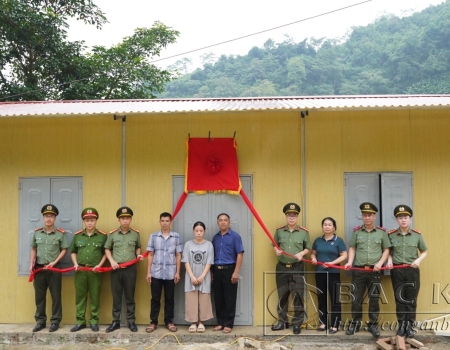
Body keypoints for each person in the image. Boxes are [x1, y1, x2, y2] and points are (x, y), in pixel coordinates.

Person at [344, 202, 391, 338]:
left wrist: (380, 263)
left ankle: (373, 325)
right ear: (362, 216)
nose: (367, 217)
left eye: (370, 215)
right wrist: (350, 262)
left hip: (375, 271)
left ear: (374, 216)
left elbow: (386, 250)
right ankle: (355, 324)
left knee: (374, 299)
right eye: (365, 215)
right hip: (359, 270)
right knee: (356, 298)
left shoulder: (382, 233)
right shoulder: (357, 232)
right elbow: (352, 248)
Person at [387, 205, 427, 339]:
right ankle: (401, 326)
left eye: (406, 217)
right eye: (400, 218)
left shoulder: (417, 235)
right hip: (397, 270)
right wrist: (389, 260)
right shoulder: (391, 235)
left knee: (411, 299)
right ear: (396, 220)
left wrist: (419, 260)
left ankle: (410, 327)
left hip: (412, 270)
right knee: (399, 299)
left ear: (410, 219)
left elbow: (424, 251)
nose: (403, 220)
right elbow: (388, 251)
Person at [271, 202, 311, 335]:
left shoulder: (304, 232)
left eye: (294, 215)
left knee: (297, 295)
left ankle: (297, 324)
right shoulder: (279, 231)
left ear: (297, 216)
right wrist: (276, 250)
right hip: (282, 268)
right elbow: (275, 244)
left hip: (297, 268)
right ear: (286, 216)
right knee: (282, 295)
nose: (291, 218)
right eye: (289, 215)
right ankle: (282, 322)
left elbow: (307, 248)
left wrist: (301, 253)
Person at [29, 204, 69, 333]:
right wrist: (31, 264)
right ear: (43, 217)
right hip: (39, 268)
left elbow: (64, 249)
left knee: (56, 296)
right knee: (39, 296)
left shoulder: (60, 234)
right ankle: (40, 321)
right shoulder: (37, 233)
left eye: (51, 216)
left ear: (55, 218)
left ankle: (55, 321)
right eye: (46, 216)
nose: (48, 219)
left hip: (54, 269)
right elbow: (34, 248)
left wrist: (54, 262)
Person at [104, 206, 144, 333]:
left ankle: (131, 321)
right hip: (116, 269)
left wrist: (138, 255)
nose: (125, 221)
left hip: (130, 269)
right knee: (116, 296)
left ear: (131, 219)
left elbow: (138, 247)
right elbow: (107, 249)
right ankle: (115, 321)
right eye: (122, 218)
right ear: (119, 220)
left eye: (127, 218)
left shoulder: (135, 234)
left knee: (129, 296)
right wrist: (112, 261)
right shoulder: (112, 234)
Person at [69, 207, 107, 332]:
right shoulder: (78, 236)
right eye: (87, 220)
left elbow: (106, 253)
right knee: (80, 297)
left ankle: (94, 321)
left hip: (95, 272)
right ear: (84, 221)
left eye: (92, 220)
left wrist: (100, 265)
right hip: (80, 271)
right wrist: (75, 264)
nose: (89, 222)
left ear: (96, 221)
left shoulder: (102, 236)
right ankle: (80, 321)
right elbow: (73, 252)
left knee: (95, 296)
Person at [145, 212, 183, 333]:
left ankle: (169, 322)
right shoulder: (154, 236)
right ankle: (153, 322)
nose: (165, 223)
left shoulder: (176, 237)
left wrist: (178, 272)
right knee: (155, 299)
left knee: (169, 299)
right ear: (160, 221)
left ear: (170, 222)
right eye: (162, 221)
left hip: (171, 273)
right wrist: (148, 272)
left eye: (167, 221)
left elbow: (178, 255)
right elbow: (150, 254)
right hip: (156, 273)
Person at [310, 217, 347, 334]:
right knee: (321, 299)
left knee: (335, 299)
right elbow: (313, 254)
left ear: (334, 227)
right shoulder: (317, 240)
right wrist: (314, 259)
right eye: (325, 224)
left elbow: (344, 256)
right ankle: (323, 323)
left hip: (333, 273)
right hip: (320, 273)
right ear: (322, 227)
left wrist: (332, 263)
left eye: (329, 225)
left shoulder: (338, 241)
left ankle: (335, 325)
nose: (327, 226)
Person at [212, 213, 244, 334]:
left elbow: (240, 254)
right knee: (218, 298)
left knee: (229, 298)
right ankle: (220, 322)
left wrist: (236, 272)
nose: (223, 222)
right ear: (217, 223)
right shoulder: (215, 238)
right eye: (220, 220)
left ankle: (228, 324)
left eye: (225, 220)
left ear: (229, 222)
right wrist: (212, 273)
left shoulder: (235, 236)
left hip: (230, 269)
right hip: (216, 270)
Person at [182, 221, 214, 333]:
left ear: (204, 231)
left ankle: (201, 322)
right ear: (193, 231)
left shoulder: (209, 245)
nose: (199, 233)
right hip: (191, 275)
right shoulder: (188, 244)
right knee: (191, 299)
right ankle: (193, 322)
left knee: (204, 299)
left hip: (204, 275)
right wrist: (192, 276)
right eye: (197, 231)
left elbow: (209, 262)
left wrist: (202, 276)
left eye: (201, 231)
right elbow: (185, 261)